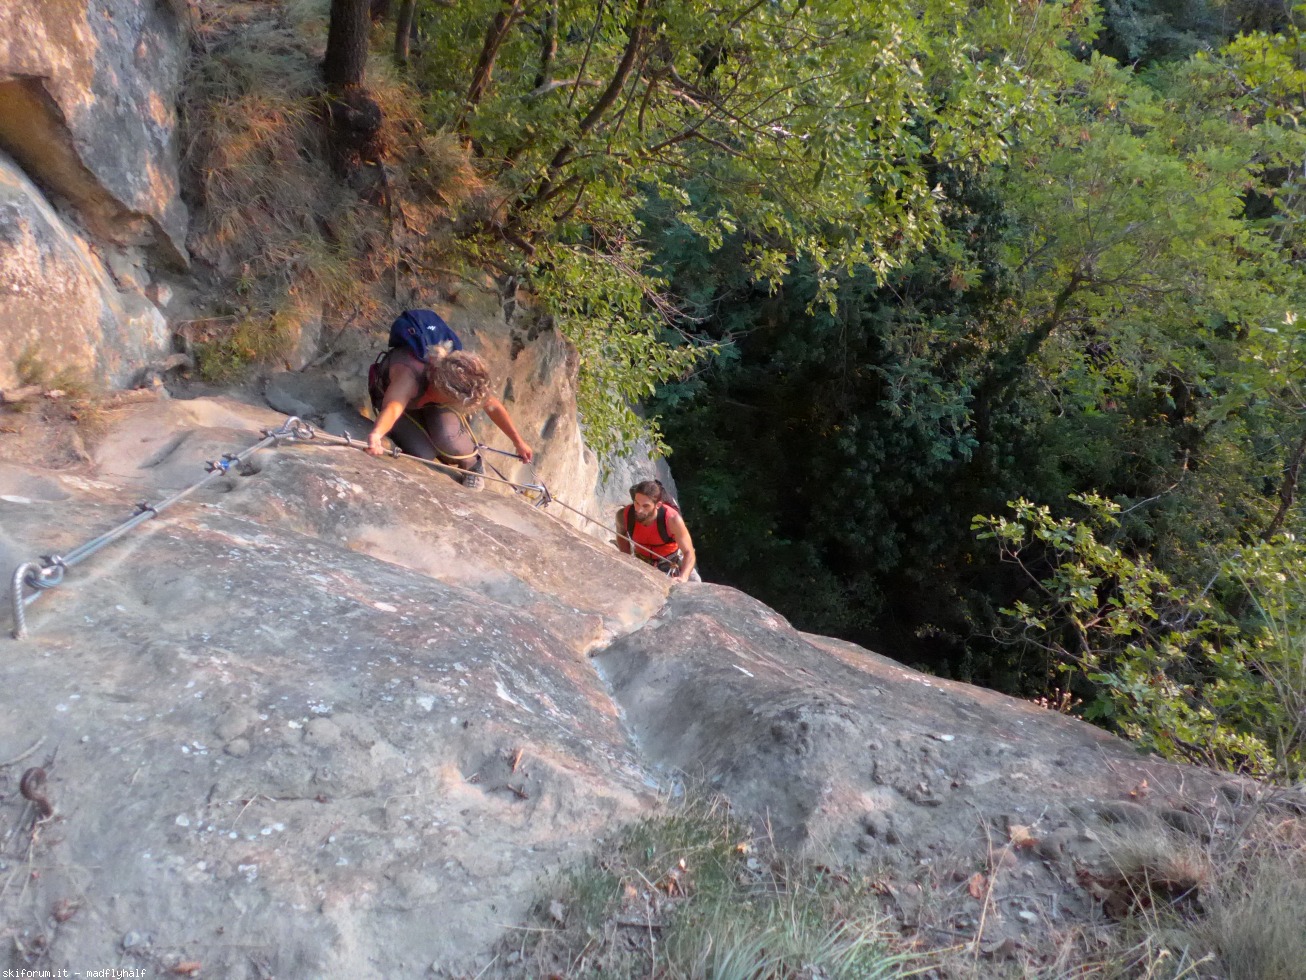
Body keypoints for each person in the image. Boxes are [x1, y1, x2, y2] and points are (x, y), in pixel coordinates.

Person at [365, 310, 533, 490]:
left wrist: (518, 442)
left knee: (448, 440)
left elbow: (492, 406)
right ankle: (413, 432)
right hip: (400, 401)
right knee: (423, 453)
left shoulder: (465, 379)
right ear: (442, 389)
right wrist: (377, 434)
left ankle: (473, 464)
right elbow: (393, 408)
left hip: (430, 399)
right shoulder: (408, 378)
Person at [617, 479, 699, 582]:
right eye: (636, 503)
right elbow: (622, 537)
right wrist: (627, 560)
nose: (639, 509)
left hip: (671, 561)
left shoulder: (672, 520)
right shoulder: (624, 515)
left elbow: (689, 552)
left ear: (658, 505)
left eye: (645, 506)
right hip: (642, 560)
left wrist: (683, 577)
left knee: (695, 581)